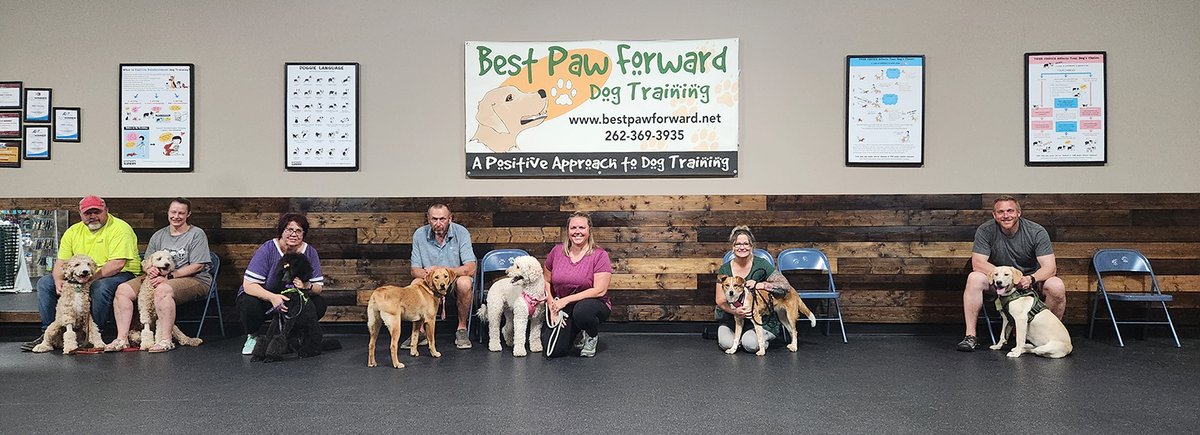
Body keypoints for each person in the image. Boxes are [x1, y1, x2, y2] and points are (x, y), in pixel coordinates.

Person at [22, 195, 141, 351]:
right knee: (45, 283)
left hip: (120, 274)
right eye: (87, 213)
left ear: (106, 210)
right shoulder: (73, 231)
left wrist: (90, 278)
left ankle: (93, 335)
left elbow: (117, 264)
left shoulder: (120, 228)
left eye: (96, 212)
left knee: (100, 287)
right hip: (81, 274)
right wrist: (58, 280)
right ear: (81, 214)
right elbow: (61, 263)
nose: (92, 216)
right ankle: (49, 335)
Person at [957, 195, 1066, 351]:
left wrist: (1029, 278)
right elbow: (978, 263)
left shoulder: (1036, 232)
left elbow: (1050, 267)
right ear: (994, 215)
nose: (1006, 215)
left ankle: (1050, 336)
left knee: (1056, 285)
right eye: (1000, 212)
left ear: (1018, 213)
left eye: (1010, 211)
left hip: (1029, 284)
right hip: (1000, 283)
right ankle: (971, 337)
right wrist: (1006, 278)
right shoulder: (985, 230)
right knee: (974, 278)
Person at [107, 198, 212, 352]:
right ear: (168, 212)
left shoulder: (196, 234)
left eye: (181, 213)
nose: (176, 216)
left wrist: (169, 277)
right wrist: (149, 270)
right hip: (156, 278)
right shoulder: (159, 235)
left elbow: (198, 265)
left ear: (188, 214)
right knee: (123, 289)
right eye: (173, 212)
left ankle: (166, 340)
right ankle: (122, 339)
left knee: (162, 289)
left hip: (193, 279)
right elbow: (147, 260)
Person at [236, 213, 327, 355]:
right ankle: (253, 336)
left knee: (318, 303)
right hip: (265, 298)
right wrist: (273, 298)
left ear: (304, 233)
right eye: (289, 230)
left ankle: (294, 336)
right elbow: (249, 285)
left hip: (293, 300)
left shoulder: (310, 252)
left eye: (298, 231)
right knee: (248, 304)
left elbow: (318, 288)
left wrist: (307, 285)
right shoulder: (268, 249)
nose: (293, 234)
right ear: (282, 231)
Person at [541, 212, 613, 358]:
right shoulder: (557, 251)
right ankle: (577, 333)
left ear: (589, 230)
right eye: (573, 228)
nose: (577, 232)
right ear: (568, 230)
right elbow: (546, 280)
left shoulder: (599, 255)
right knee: (554, 350)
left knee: (583, 311)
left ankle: (591, 335)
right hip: (563, 306)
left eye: (582, 227)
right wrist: (551, 306)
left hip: (592, 304)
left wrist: (566, 300)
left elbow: (600, 290)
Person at [714, 225, 793, 353]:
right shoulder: (725, 269)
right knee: (726, 343)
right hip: (732, 317)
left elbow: (785, 286)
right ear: (732, 247)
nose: (742, 247)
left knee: (750, 345)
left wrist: (762, 285)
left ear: (751, 246)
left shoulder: (761, 264)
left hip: (760, 317)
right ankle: (738, 337)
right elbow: (719, 300)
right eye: (738, 244)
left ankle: (760, 338)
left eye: (746, 243)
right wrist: (735, 312)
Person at [410, 204, 477, 349]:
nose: (438, 223)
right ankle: (420, 332)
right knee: (416, 282)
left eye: (442, 219)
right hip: (430, 281)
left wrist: (443, 271)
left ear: (450, 219)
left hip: (452, 279)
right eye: (434, 219)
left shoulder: (461, 233)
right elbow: (415, 270)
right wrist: (432, 275)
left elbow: (470, 268)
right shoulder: (419, 234)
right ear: (428, 219)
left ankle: (462, 329)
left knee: (465, 282)